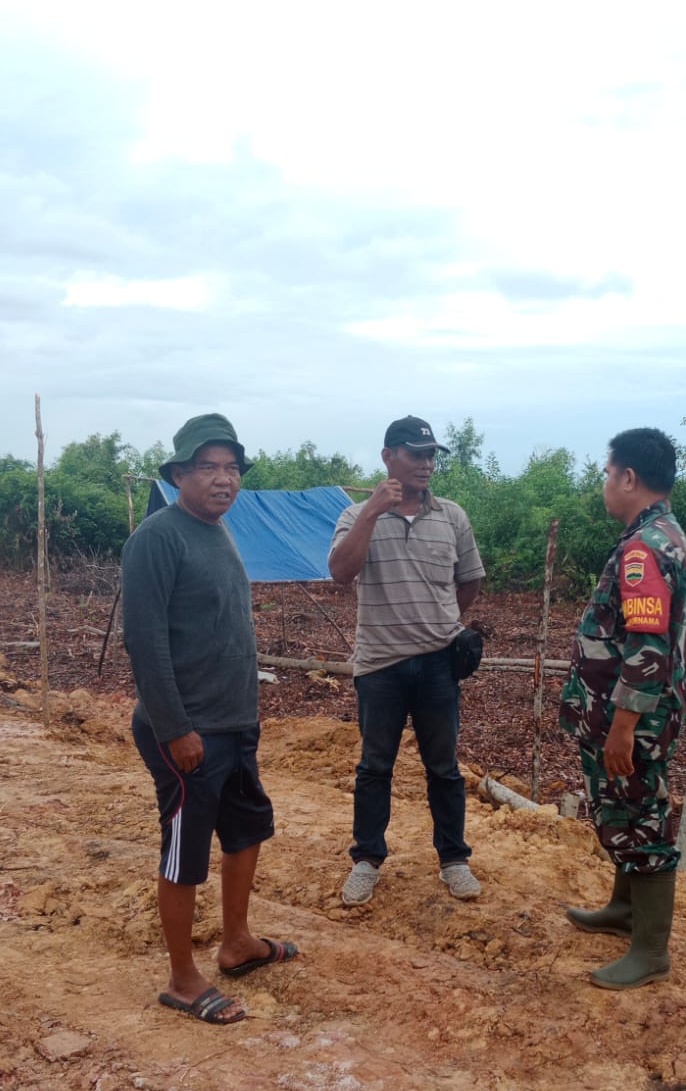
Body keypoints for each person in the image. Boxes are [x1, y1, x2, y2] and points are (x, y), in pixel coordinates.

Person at [121, 413, 297, 1025]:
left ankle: (237, 942)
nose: (223, 480)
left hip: (233, 723)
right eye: (208, 467)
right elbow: (144, 642)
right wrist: (174, 727)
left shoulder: (219, 532)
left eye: (231, 469)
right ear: (178, 475)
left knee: (246, 830)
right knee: (184, 851)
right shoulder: (158, 537)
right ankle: (181, 978)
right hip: (186, 730)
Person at [329, 415, 485, 905]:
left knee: (444, 767)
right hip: (379, 665)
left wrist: (443, 622)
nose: (426, 463)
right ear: (388, 457)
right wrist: (373, 513)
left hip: (439, 663)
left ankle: (454, 859)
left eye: (431, 454)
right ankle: (367, 860)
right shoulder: (357, 517)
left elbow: (471, 579)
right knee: (375, 767)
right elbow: (339, 573)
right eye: (416, 454)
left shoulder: (452, 516)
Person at [559, 427, 686, 989]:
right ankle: (625, 909)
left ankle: (651, 950)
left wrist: (622, 728)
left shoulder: (643, 549)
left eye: (607, 473)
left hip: (633, 718)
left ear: (628, 478)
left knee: (641, 816)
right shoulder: (664, 532)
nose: (604, 485)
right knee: (623, 809)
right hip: (636, 712)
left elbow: (647, 646)